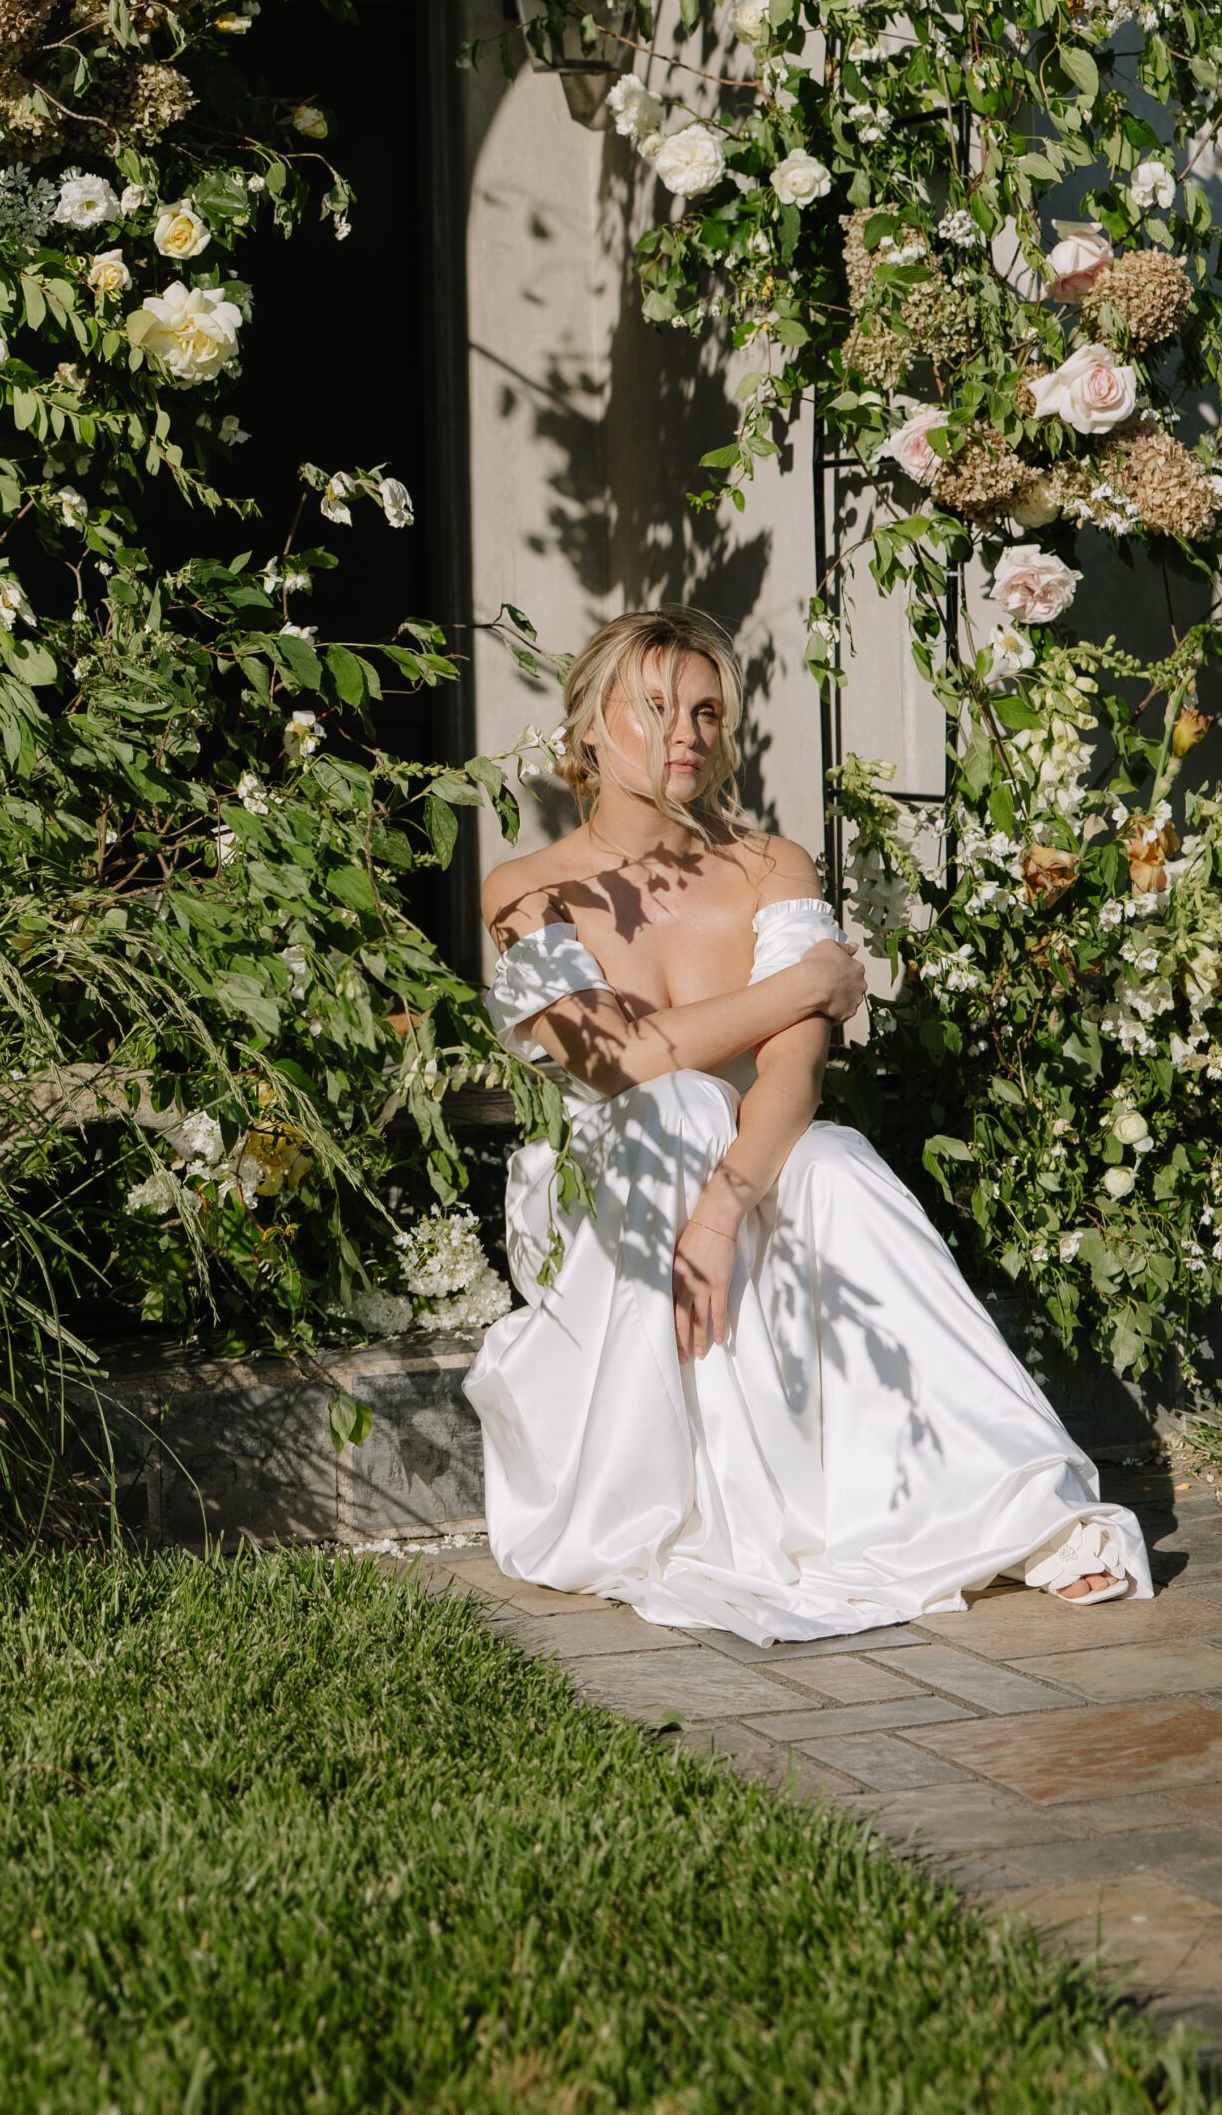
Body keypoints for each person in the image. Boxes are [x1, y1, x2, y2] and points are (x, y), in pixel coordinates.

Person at [462, 607, 1152, 1644]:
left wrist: (721, 1207)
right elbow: (613, 1060)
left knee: (835, 1158)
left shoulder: (767, 867)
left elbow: (794, 1069)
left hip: (754, 1178)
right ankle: (698, 1510)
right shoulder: (527, 889)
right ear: (590, 729)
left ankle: (1031, 1511)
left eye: (703, 710)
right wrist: (806, 982)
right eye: (654, 708)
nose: (685, 731)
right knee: (676, 1099)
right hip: (605, 1200)